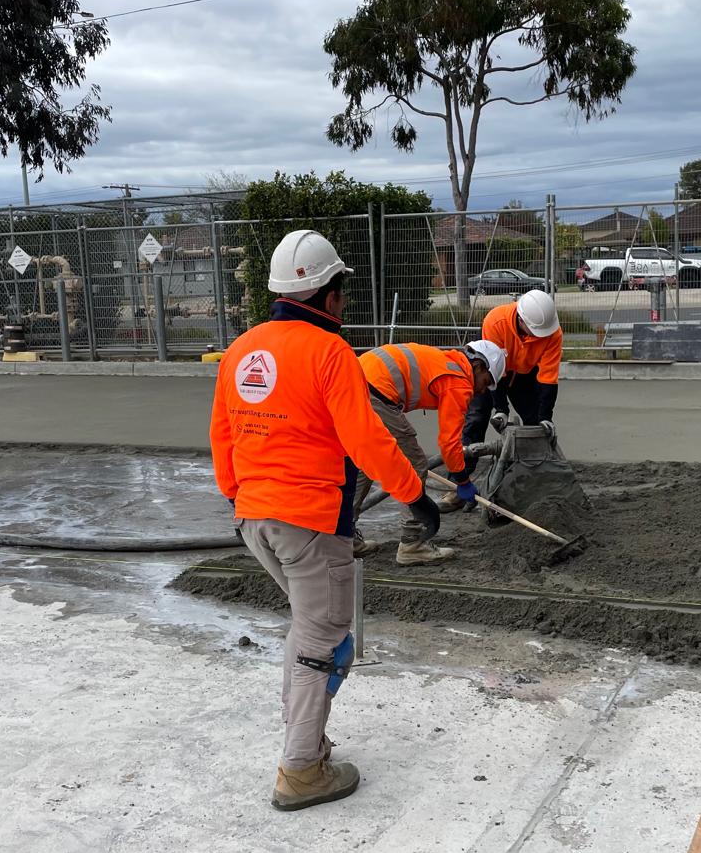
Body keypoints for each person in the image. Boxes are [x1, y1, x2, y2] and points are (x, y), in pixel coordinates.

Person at [210, 229, 443, 811]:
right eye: (341, 289)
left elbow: (222, 436)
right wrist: (415, 497)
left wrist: (240, 497)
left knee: (309, 634)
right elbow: (366, 438)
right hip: (309, 522)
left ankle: (306, 741)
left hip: (255, 519)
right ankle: (302, 771)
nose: (344, 300)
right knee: (323, 641)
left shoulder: (243, 349)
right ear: (327, 292)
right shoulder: (330, 351)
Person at [353, 339, 507, 563]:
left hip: (356, 381)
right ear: (478, 366)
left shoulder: (446, 362)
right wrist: (463, 481)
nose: (483, 390)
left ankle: (343, 537)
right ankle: (412, 543)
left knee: (366, 462)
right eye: (486, 382)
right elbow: (449, 443)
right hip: (376, 392)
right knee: (415, 465)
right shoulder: (459, 382)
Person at [449, 290, 562, 507]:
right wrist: (500, 408)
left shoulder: (553, 333)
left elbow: (548, 377)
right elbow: (491, 368)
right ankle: (458, 488)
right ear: (521, 319)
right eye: (535, 331)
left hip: (524, 374)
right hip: (490, 371)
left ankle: (533, 481)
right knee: (475, 420)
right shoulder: (496, 321)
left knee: (535, 423)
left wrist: (546, 416)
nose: (540, 335)